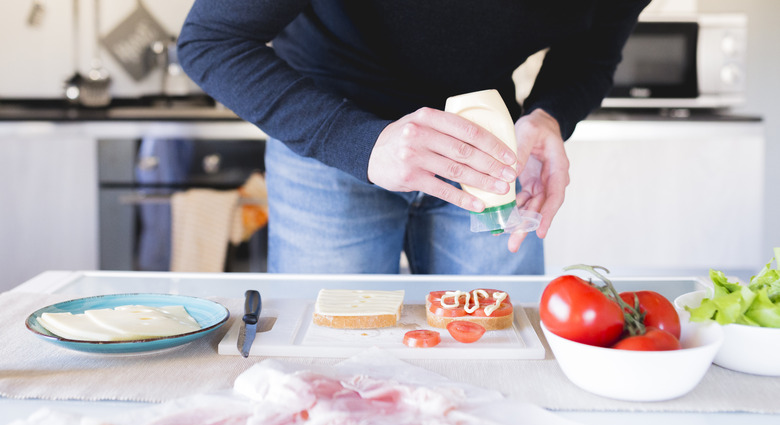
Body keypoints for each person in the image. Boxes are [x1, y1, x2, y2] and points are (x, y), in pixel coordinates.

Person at [177, 0, 650, 275]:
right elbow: (210, 41)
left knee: (499, 353)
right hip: (331, 147)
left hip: (488, 156)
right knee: (332, 363)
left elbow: (590, 54)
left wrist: (549, 116)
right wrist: (361, 143)